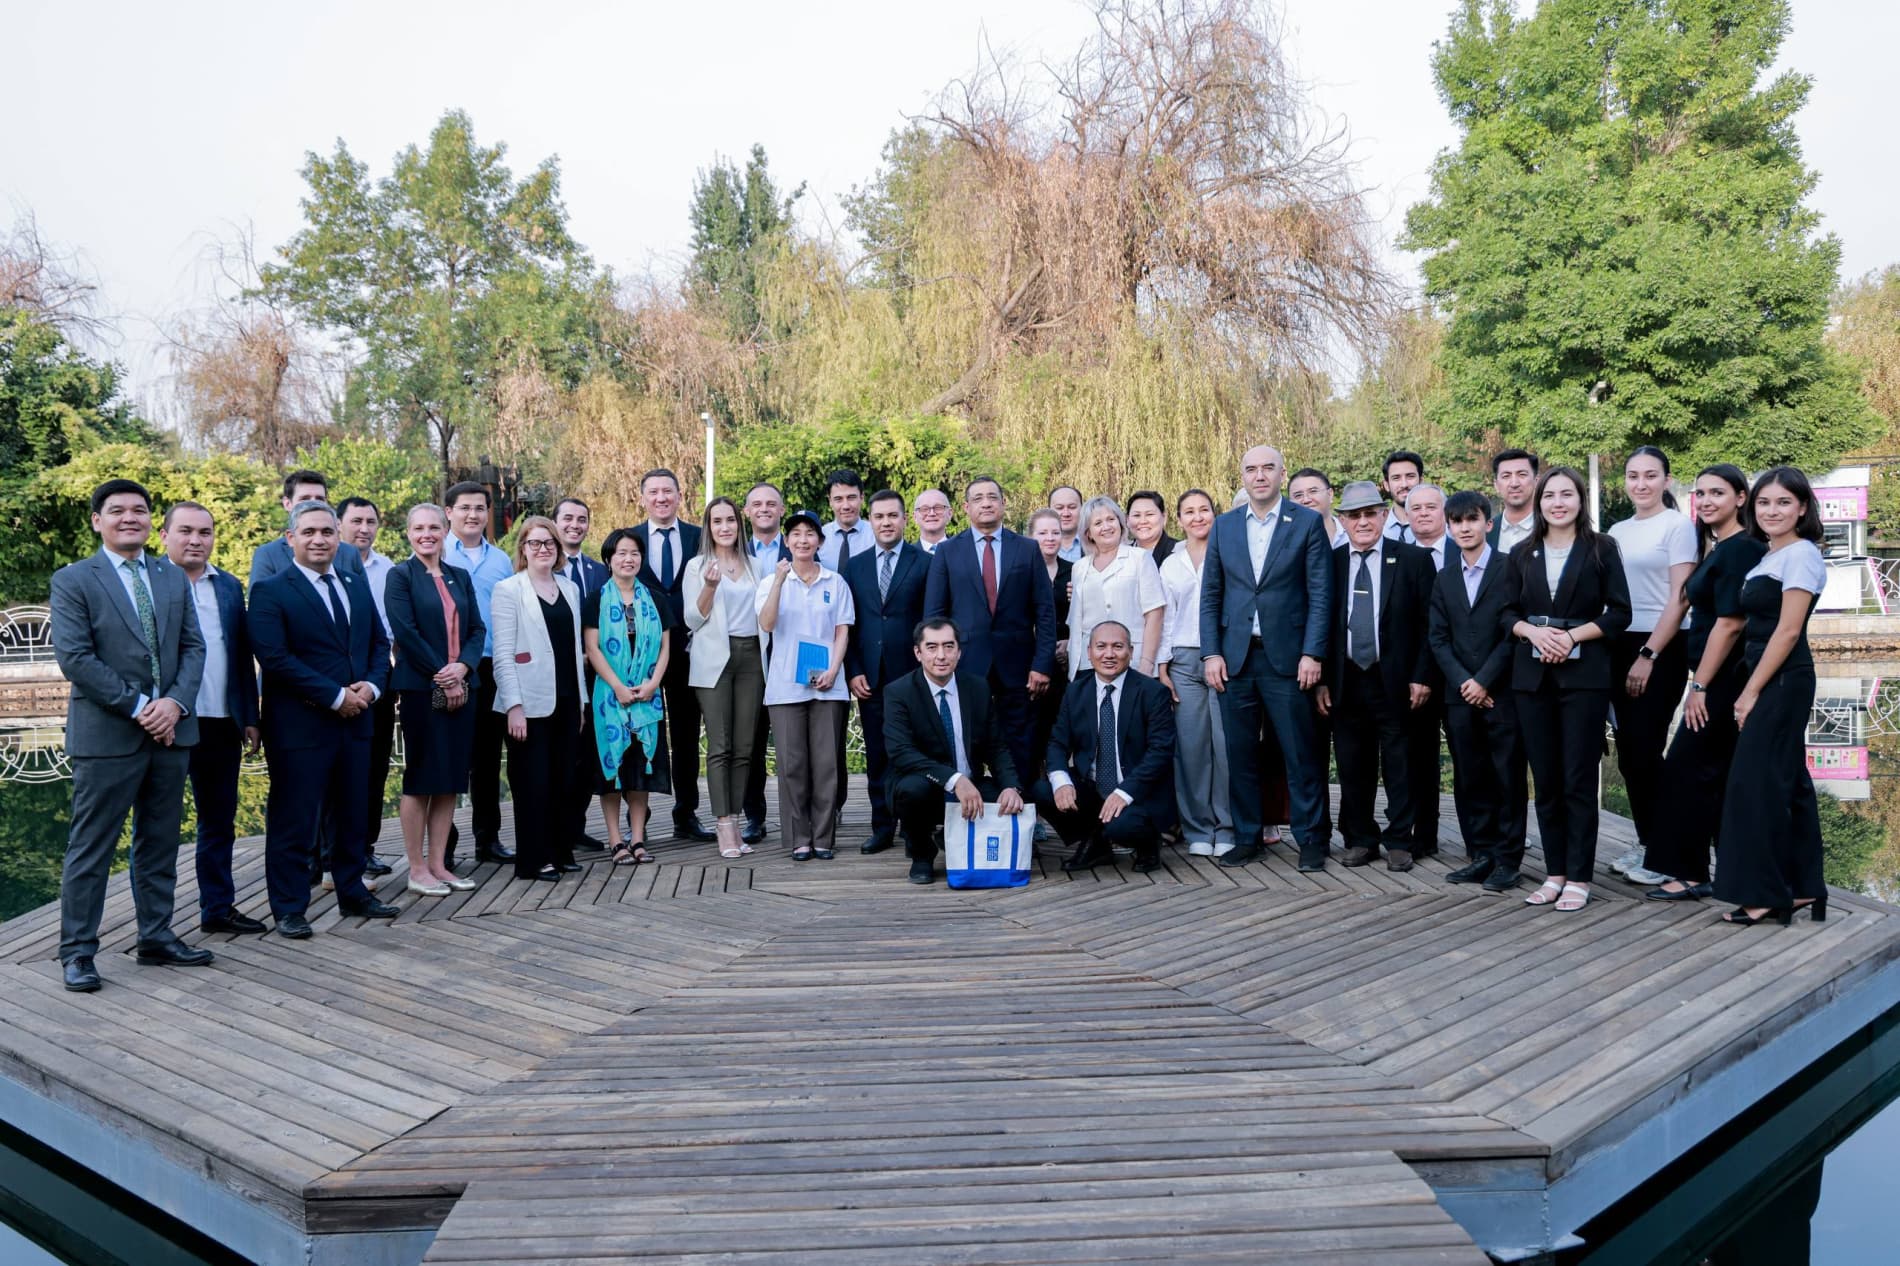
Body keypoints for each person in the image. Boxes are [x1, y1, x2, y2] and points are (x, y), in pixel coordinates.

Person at [51, 480, 213, 991]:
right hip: (107, 737)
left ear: (150, 521)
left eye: (139, 510)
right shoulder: (74, 579)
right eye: (117, 510)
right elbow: (75, 658)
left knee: (160, 843)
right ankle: (78, 952)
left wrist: (174, 704)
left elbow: (194, 648)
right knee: (91, 849)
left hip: (172, 732)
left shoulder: (171, 576)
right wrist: (143, 707)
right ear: (97, 521)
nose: (130, 518)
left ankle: (156, 937)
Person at [249, 500, 399, 937]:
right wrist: (335, 697)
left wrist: (372, 687)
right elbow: (275, 658)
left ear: (338, 537)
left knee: (353, 814)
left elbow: (378, 642)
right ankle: (290, 907)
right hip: (300, 725)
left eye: (327, 532)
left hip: (357, 720)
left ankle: (353, 892)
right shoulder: (271, 590)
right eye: (309, 532)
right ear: (290, 538)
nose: (319, 540)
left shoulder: (354, 583)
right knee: (295, 820)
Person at [1500, 467, 1632, 912]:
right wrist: (1533, 633)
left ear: (1580, 500)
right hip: (1532, 677)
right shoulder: (1521, 552)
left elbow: (1620, 613)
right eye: (1549, 496)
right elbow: (1506, 614)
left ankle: (1579, 877)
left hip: (1585, 678)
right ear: (1539, 503)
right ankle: (1554, 873)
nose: (1558, 503)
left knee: (1578, 778)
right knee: (1547, 780)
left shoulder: (1601, 548)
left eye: (1566, 494)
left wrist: (1572, 637)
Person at [1199, 444, 1333, 871]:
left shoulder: (1306, 522)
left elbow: (1320, 593)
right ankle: (1247, 837)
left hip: (1290, 660)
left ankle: (1312, 839)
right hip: (1235, 660)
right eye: (1251, 469)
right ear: (1242, 476)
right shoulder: (1225, 525)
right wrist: (1211, 653)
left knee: (1300, 753)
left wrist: (1313, 652)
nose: (1259, 476)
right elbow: (1211, 595)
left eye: (1268, 468)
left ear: (1281, 474)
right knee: (1240, 755)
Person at [1714, 468, 1829, 926]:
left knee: (1755, 786)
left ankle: (1765, 894)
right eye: (1764, 502)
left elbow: (1787, 631)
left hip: (1782, 678)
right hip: (1771, 674)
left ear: (1802, 508)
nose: (1771, 511)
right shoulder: (1771, 555)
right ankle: (1803, 887)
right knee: (1789, 783)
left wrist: (1750, 692)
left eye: (1783, 502)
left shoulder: (1801, 554)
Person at [1646, 466, 1764, 902]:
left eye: (1718, 492)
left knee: (1686, 770)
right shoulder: (1720, 547)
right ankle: (1718, 872)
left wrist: (1699, 686)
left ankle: (1692, 873)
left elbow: (1730, 623)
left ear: (1740, 498)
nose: (1707, 500)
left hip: (1724, 679)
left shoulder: (1741, 549)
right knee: (1710, 774)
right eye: (1700, 493)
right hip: (1717, 679)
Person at [1316, 482, 1437, 871]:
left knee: (1401, 762)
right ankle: (1360, 839)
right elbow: (1320, 624)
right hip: (1346, 678)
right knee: (1352, 764)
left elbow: (1430, 625)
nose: (1363, 522)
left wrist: (1422, 675)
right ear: (1343, 521)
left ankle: (1400, 839)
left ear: (1385, 515)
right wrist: (1321, 679)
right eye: (1354, 516)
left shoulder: (1414, 560)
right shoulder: (1330, 563)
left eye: (1370, 513)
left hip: (1397, 679)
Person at [159, 501, 266, 934]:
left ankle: (217, 910)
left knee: (219, 822)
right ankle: (156, 925)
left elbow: (241, 655)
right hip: (167, 723)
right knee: (158, 826)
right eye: (185, 531)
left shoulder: (228, 586)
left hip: (221, 721)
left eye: (204, 532)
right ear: (164, 536)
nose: (195, 540)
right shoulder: (151, 582)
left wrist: (250, 715)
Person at [923, 476, 1058, 784]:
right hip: (965, 665)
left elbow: (1045, 613)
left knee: (1020, 744)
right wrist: (939, 663)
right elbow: (934, 616)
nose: (986, 503)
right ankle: (965, 806)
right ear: (965, 507)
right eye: (978, 498)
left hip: (1019, 667)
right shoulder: (948, 551)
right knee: (965, 741)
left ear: (1003, 503)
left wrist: (1042, 664)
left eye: (992, 497)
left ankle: (1020, 804)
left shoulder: (1027, 549)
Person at [1605, 447, 1697, 886]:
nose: (1640, 483)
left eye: (1650, 475)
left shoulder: (1677, 526)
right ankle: (1649, 844)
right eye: (1633, 475)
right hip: (1619, 642)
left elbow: (1680, 599)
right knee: (1629, 754)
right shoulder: (1617, 531)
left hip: (1661, 646)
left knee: (1645, 749)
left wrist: (1649, 655)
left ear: (1666, 479)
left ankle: (1669, 853)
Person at [1429, 491, 1527, 892]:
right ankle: (1481, 854)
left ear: (1488, 524)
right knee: (1470, 777)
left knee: (1507, 777)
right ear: (1449, 528)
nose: (1465, 528)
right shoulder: (1444, 577)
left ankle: (1508, 860)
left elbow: (1513, 632)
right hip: (1459, 696)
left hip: (1501, 693)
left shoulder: (1510, 568)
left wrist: (1484, 680)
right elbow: (1438, 638)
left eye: (1472, 520)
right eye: (1457, 522)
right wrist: (1464, 683)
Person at [383, 504, 483, 895]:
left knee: (450, 779)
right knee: (422, 778)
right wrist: (444, 673)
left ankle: (440, 864)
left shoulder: (460, 576)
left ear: (445, 531)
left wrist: (463, 668)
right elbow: (405, 633)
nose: (427, 534)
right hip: (421, 690)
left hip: (463, 686)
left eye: (434, 528)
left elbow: (477, 630)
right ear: (409, 533)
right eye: (419, 528)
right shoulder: (400, 576)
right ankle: (417, 868)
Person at [883, 618, 1026, 884]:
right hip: (927, 784)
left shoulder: (977, 687)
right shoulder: (898, 692)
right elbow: (901, 752)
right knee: (911, 791)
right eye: (932, 647)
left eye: (948, 646)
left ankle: (952, 836)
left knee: (1008, 799)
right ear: (918, 652)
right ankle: (922, 854)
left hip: (972, 785)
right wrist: (954, 779)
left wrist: (1011, 787)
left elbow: (996, 746)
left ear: (959, 652)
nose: (941, 655)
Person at [1036, 621, 1178, 873]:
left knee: (1121, 826)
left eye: (1118, 647)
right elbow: (1058, 742)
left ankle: (1148, 846)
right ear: (1089, 652)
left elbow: (1160, 753)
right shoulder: (1076, 691)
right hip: (1093, 787)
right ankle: (1096, 843)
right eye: (1101, 647)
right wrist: (1061, 781)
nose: (1109, 654)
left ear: (1131, 651)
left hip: (1137, 791)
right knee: (1043, 790)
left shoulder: (1153, 692)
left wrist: (1124, 793)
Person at [492, 515, 587, 881]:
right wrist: (513, 706)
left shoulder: (569, 588)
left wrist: (581, 702)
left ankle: (560, 851)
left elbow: (574, 647)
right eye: (535, 543)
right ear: (523, 548)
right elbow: (503, 654)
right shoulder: (508, 590)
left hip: (567, 698)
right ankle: (534, 860)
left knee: (564, 779)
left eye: (549, 543)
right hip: (528, 703)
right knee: (533, 784)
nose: (543, 549)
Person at [758, 512, 855, 861]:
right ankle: (799, 837)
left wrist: (833, 669)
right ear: (786, 541)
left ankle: (823, 836)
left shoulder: (835, 582)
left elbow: (842, 630)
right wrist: (779, 581)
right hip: (785, 686)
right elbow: (767, 623)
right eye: (796, 534)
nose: (802, 540)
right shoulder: (771, 581)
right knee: (792, 764)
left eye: (810, 533)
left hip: (828, 684)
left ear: (820, 541)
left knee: (827, 764)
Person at [842, 490, 930, 855]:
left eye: (893, 515)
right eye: (879, 517)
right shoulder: (855, 566)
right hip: (871, 678)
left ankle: (914, 828)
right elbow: (847, 625)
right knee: (877, 756)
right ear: (870, 521)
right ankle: (882, 826)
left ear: (905, 519)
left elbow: (931, 619)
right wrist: (853, 670)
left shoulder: (925, 563)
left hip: (913, 677)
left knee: (913, 753)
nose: (886, 522)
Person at [630, 469, 712, 842]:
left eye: (668, 491)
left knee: (685, 736)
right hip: (640, 657)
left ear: (680, 496)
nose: (661, 498)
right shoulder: (630, 540)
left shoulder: (700, 537)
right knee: (639, 734)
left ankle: (686, 814)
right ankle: (638, 819)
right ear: (643, 498)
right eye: (654, 492)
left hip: (689, 651)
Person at [684, 497, 767, 860]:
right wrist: (709, 586)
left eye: (730, 520)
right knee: (721, 745)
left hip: (752, 657)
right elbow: (692, 619)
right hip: (714, 659)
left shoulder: (755, 565)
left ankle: (735, 818)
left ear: (739, 524)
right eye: (717, 521)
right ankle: (723, 824)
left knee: (745, 747)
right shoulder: (697, 566)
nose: (724, 527)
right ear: (708, 527)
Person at [585, 528, 675, 865]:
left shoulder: (656, 599)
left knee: (640, 772)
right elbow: (592, 648)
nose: (628, 559)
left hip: (647, 696)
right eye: (621, 553)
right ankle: (616, 840)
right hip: (610, 698)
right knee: (612, 772)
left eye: (634, 553)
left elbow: (665, 648)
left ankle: (637, 838)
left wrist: (653, 684)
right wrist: (618, 687)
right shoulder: (596, 599)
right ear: (609, 559)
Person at [1157, 489, 1236, 857]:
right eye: (1189, 511)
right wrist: (1162, 664)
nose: (1197, 517)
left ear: (1215, 514)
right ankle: (1198, 828)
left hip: (1224, 658)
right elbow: (1165, 617)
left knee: (1225, 746)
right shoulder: (1171, 564)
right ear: (1179, 519)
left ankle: (1228, 826)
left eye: (1204, 509)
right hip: (1184, 661)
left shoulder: (1229, 553)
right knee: (1191, 748)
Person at [443, 479, 516, 868]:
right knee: (448, 756)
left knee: (487, 759)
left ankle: (488, 839)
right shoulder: (436, 552)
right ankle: (444, 844)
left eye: (479, 509)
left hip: (491, 666)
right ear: (449, 512)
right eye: (465, 508)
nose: (472, 515)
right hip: (448, 668)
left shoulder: (501, 560)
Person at [338, 496, 397, 876]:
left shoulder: (388, 569)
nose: (364, 528)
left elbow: (389, 633)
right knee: (335, 774)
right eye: (356, 521)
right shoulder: (327, 565)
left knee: (375, 771)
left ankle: (367, 847)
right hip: (333, 685)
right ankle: (326, 853)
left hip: (378, 680)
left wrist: (377, 681)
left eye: (370, 521)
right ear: (339, 525)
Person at [553, 496, 611, 849]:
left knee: (589, 753)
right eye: (568, 518)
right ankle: (555, 828)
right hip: (558, 675)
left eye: (582, 519)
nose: (575, 525)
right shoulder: (544, 566)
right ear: (555, 522)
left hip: (596, 674)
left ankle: (576, 826)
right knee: (561, 752)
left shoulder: (598, 571)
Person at [1399, 483, 1450, 857]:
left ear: (1444, 511)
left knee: (1472, 759)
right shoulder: (1398, 555)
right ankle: (1424, 835)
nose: (1423, 513)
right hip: (1418, 672)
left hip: (1466, 673)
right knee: (1420, 757)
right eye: (1415, 508)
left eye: (1431, 507)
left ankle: (1482, 840)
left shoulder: (1465, 548)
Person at [740, 481, 790, 843]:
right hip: (749, 659)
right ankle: (754, 816)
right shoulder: (734, 552)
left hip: (791, 655)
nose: (764, 509)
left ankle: (808, 814)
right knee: (752, 743)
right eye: (756, 504)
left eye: (771, 503)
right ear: (746, 512)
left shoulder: (801, 545)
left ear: (782, 510)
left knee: (796, 743)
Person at [1069, 496, 1166, 679]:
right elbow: (1077, 620)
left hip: (1132, 660)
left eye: (1111, 519)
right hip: (1088, 663)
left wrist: (1147, 662)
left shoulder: (1140, 558)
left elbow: (1155, 614)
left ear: (1121, 524)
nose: (1106, 526)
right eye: (1098, 523)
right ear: (1088, 533)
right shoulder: (1079, 568)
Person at [251, 469, 366, 581]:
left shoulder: (350, 554)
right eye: (305, 499)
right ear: (287, 504)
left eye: (319, 499)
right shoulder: (268, 555)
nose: (313, 504)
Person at [1027, 509, 1074, 779]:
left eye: (1055, 532)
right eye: (1042, 532)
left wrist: (1071, 643)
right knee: (1034, 726)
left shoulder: (1075, 571)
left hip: (1067, 663)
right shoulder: (1022, 571)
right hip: (1032, 662)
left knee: (1062, 723)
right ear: (1031, 536)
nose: (1050, 538)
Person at [1489, 449, 1540, 556]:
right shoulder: (1486, 532)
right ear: (1496, 485)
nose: (1514, 484)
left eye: (1522, 474)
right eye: (1506, 476)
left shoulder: (1552, 528)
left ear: (1536, 481)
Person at [818, 468, 869, 570]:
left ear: (862, 498)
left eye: (851, 497)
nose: (846, 506)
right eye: (838, 499)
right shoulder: (819, 537)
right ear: (830, 501)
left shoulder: (876, 536)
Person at [1289, 468, 1347, 548]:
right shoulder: (1285, 542)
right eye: (1298, 495)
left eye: (1313, 491)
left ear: (1330, 494)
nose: (1306, 500)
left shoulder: (1352, 532)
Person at [1380, 451, 1425, 543]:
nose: (1404, 484)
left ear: (1421, 481)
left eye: (1410, 476)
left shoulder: (1441, 526)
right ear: (1386, 485)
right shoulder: (1377, 528)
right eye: (1396, 478)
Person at [1125, 491, 1177, 565]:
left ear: (1164, 517)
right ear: (1127, 520)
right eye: (1136, 515)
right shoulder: (1122, 554)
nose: (1143, 521)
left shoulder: (1180, 552)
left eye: (1149, 514)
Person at [1050, 485, 1087, 562]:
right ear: (1049, 511)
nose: (1066, 514)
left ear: (1082, 509)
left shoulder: (1097, 543)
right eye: (1059, 508)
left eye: (1072, 507)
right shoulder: (1035, 547)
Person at [913, 488, 953, 553]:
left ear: (949, 514)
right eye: (925, 509)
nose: (932, 513)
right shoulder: (904, 556)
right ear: (915, 517)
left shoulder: (966, 551)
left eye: (938, 508)